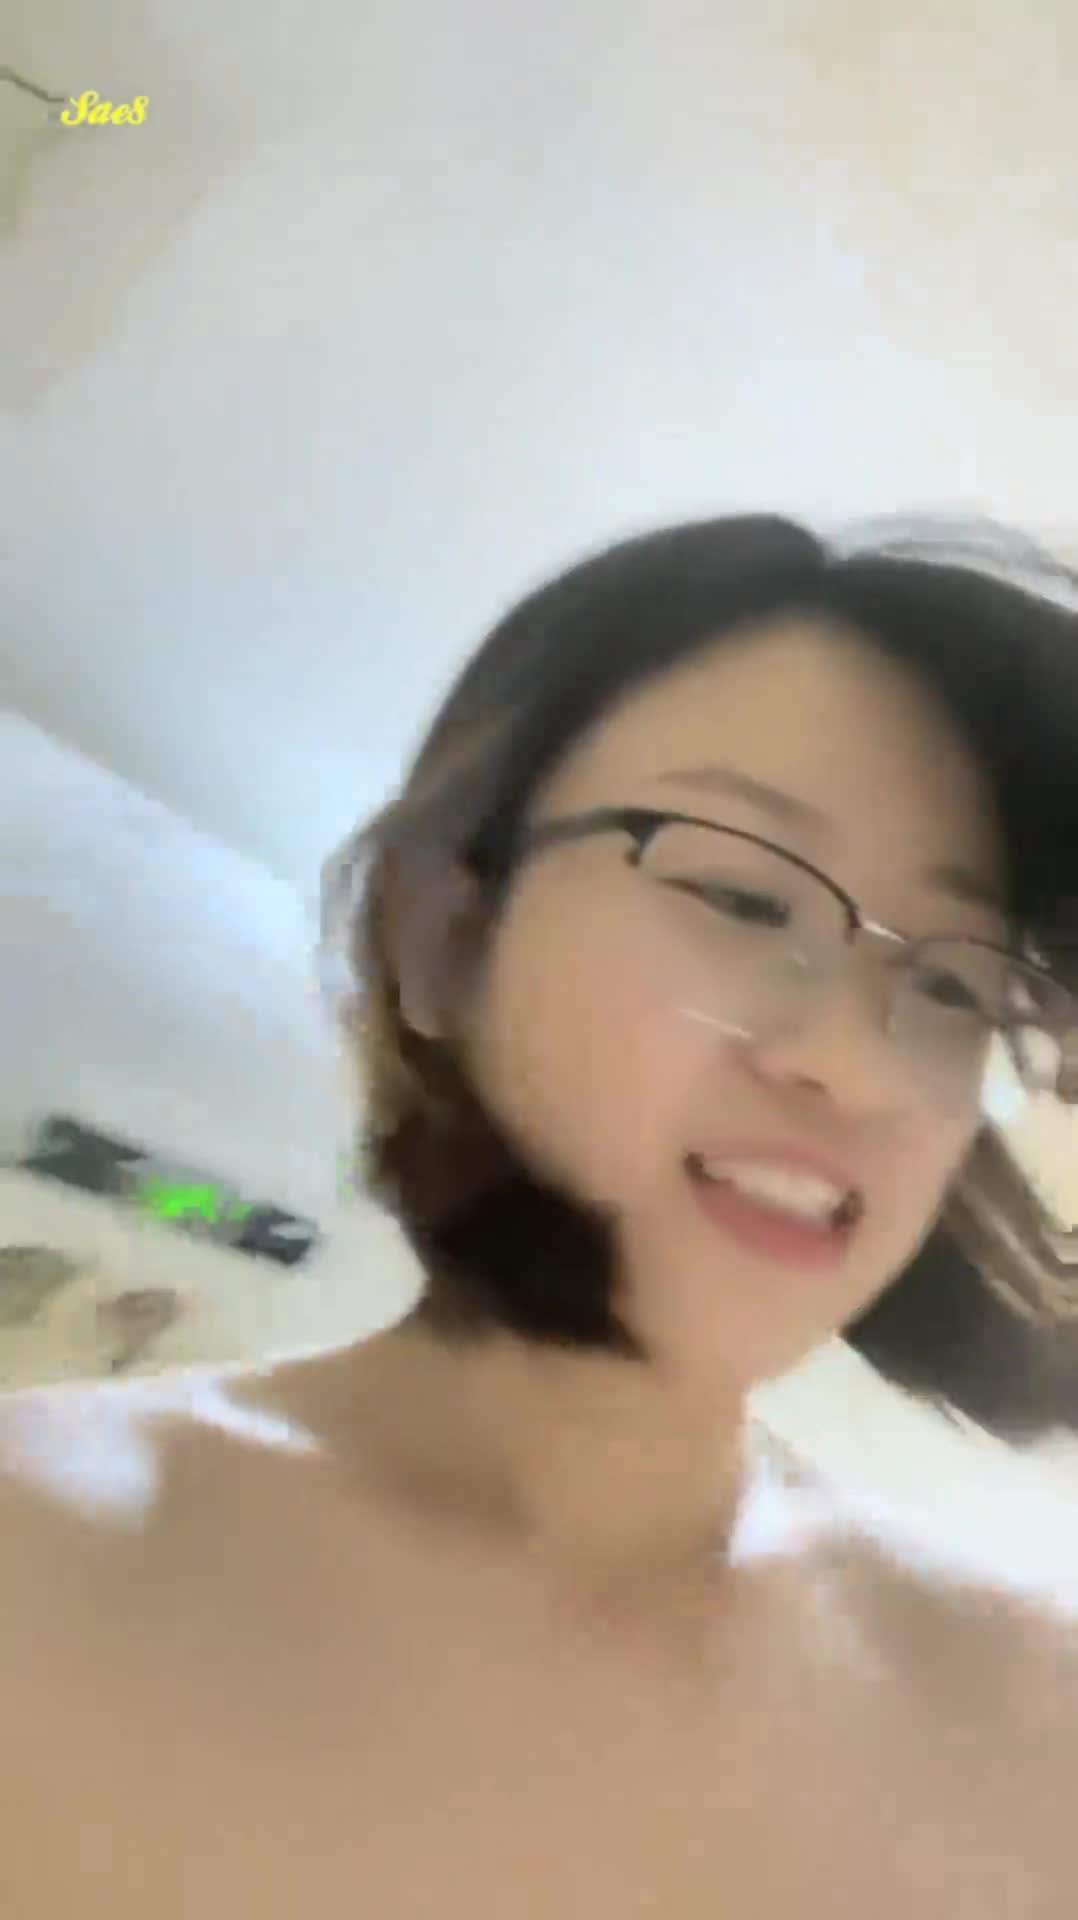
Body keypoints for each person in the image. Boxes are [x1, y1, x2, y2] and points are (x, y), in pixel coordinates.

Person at [4, 511, 1078, 1916]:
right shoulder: (37, 1565)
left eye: (951, 988)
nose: (858, 1062)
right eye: (742, 895)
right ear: (444, 932)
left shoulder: (1034, 1730)